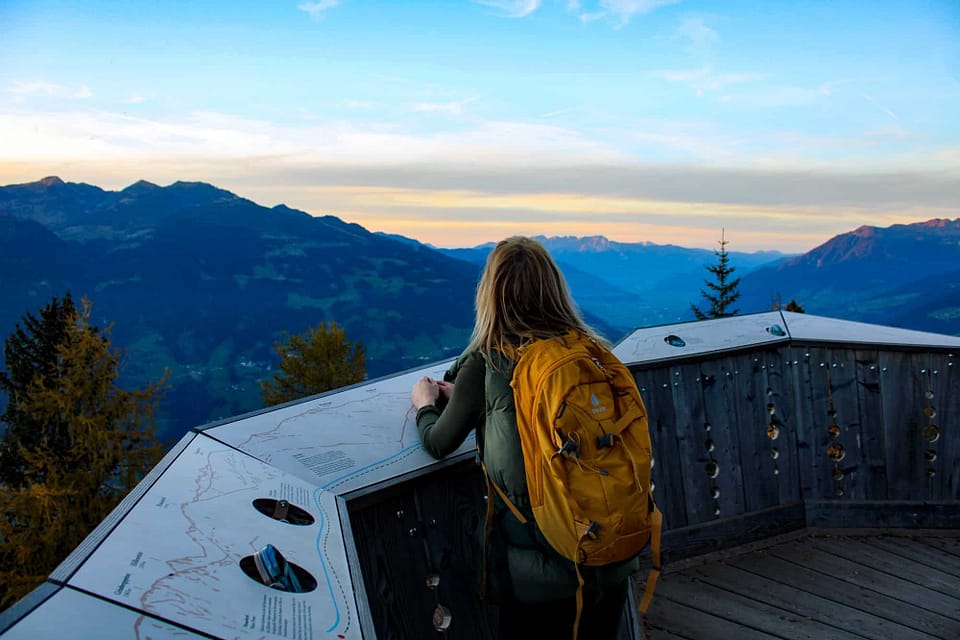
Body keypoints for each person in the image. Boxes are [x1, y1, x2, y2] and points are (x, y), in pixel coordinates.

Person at [411, 236, 638, 640]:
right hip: (607, 548)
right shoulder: (591, 353)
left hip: (540, 572)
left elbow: (438, 443)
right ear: (554, 289)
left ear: (491, 295)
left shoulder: (487, 362)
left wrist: (427, 403)